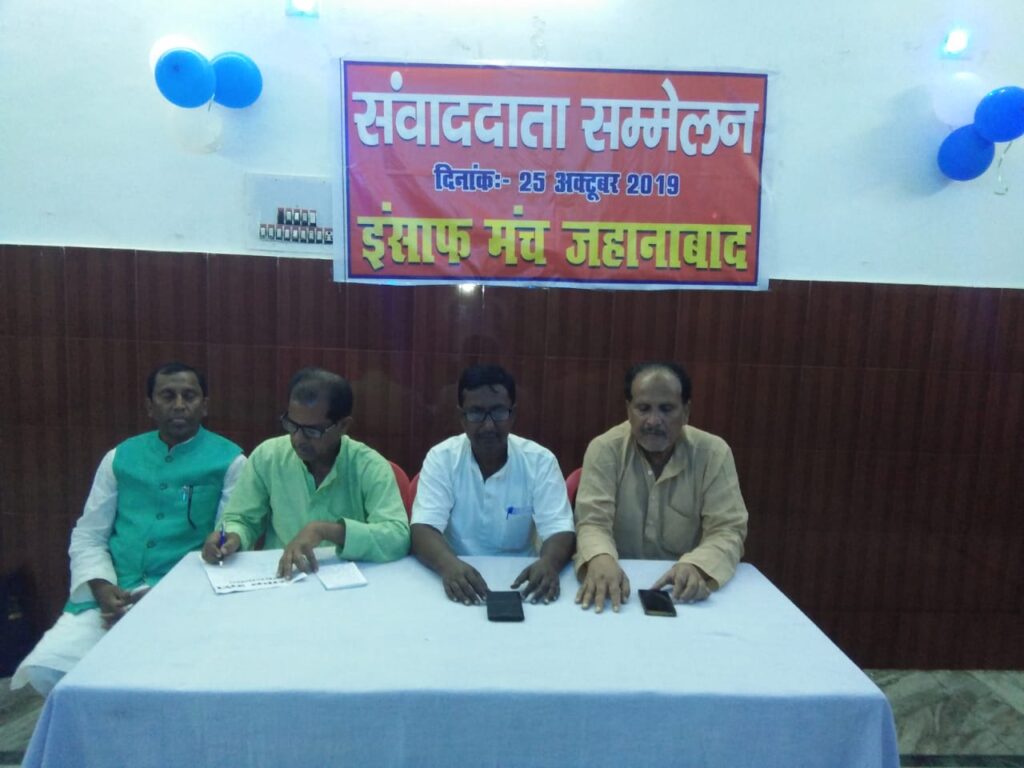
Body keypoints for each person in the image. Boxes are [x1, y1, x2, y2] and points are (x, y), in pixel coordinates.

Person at [11, 363, 245, 695]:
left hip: (183, 599)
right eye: (168, 396)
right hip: (112, 596)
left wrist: (158, 599)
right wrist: (102, 588)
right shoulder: (120, 457)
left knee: (161, 681)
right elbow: (89, 535)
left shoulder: (231, 461)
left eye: (189, 396)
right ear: (150, 406)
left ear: (204, 405)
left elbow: (224, 545)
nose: (179, 405)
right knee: (48, 668)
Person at [574, 361, 748, 613]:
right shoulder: (605, 449)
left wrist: (697, 566)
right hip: (616, 583)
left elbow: (728, 529)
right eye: (643, 408)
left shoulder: (713, 453)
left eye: (666, 409)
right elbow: (592, 522)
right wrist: (600, 557)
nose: (654, 421)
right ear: (628, 409)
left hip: (683, 589)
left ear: (686, 411)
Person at [203, 368, 409, 575]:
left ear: (343, 426)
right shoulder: (268, 456)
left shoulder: (369, 466)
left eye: (312, 431)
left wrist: (327, 531)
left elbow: (398, 537)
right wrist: (232, 537)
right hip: (283, 576)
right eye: (292, 425)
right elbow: (241, 519)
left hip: (348, 579)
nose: (298, 439)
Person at [411, 365, 575, 605]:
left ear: (513, 414)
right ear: (461, 417)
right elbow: (423, 527)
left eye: (498, 412)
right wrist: (448, 565)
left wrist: (549, 563)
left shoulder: (540, 461)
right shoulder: (442, 458)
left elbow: (560, 528)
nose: (488, 426)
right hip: (454, 570)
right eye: (476, 413)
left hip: (523, 579)